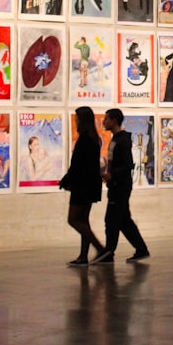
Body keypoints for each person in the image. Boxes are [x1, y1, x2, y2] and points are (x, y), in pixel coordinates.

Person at [91, 109, 150, 265]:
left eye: (107, 119)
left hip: (120, 185)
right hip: (117, 184)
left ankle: (109, 252)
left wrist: (112, 174)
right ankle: (141, 249)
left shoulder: (122, 140)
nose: (104, 122)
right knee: (123, 220)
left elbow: (128, 164)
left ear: (115, 120)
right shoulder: (116, 139)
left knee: (111, 220)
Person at [59, 107, 106, 266]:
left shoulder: (85, 139)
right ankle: (83, 256)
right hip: (90, 184)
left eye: (77, 118)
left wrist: (66, 180)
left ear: (82, 120)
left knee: (73, 219)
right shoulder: (93, 138)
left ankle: (101, 249)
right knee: (83, 221)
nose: (76, 121)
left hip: (82, 185)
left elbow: (77, 165)